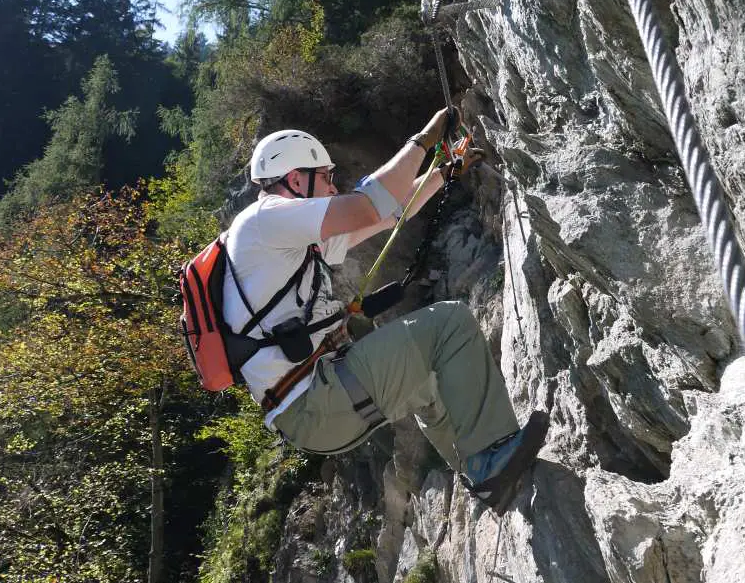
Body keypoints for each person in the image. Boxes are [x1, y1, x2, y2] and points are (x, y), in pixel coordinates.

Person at [222, 108, 549, 514]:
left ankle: (484, 474)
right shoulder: (265, 219)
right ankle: (491, 459)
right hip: (318, 399)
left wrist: (442, 173)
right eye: (324, 177)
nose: (331, 186)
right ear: (294, 179)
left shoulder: (286, 240)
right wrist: (422, 141)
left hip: (314, 412)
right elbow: (365, 205)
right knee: (449, 323)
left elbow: (392, 214)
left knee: (429, 383)